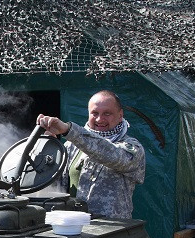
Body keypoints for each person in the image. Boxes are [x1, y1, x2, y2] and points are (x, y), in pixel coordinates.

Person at [36, 90, 145, 219]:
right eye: (95, 113)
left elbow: (111, 155)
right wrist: (50, 152)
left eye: (107, 113)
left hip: (113, 232)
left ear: (120, 115)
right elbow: (55, 188)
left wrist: (68, 130)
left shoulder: (132, 148)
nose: (100, 119)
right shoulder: (71, 146)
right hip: (75, 228)